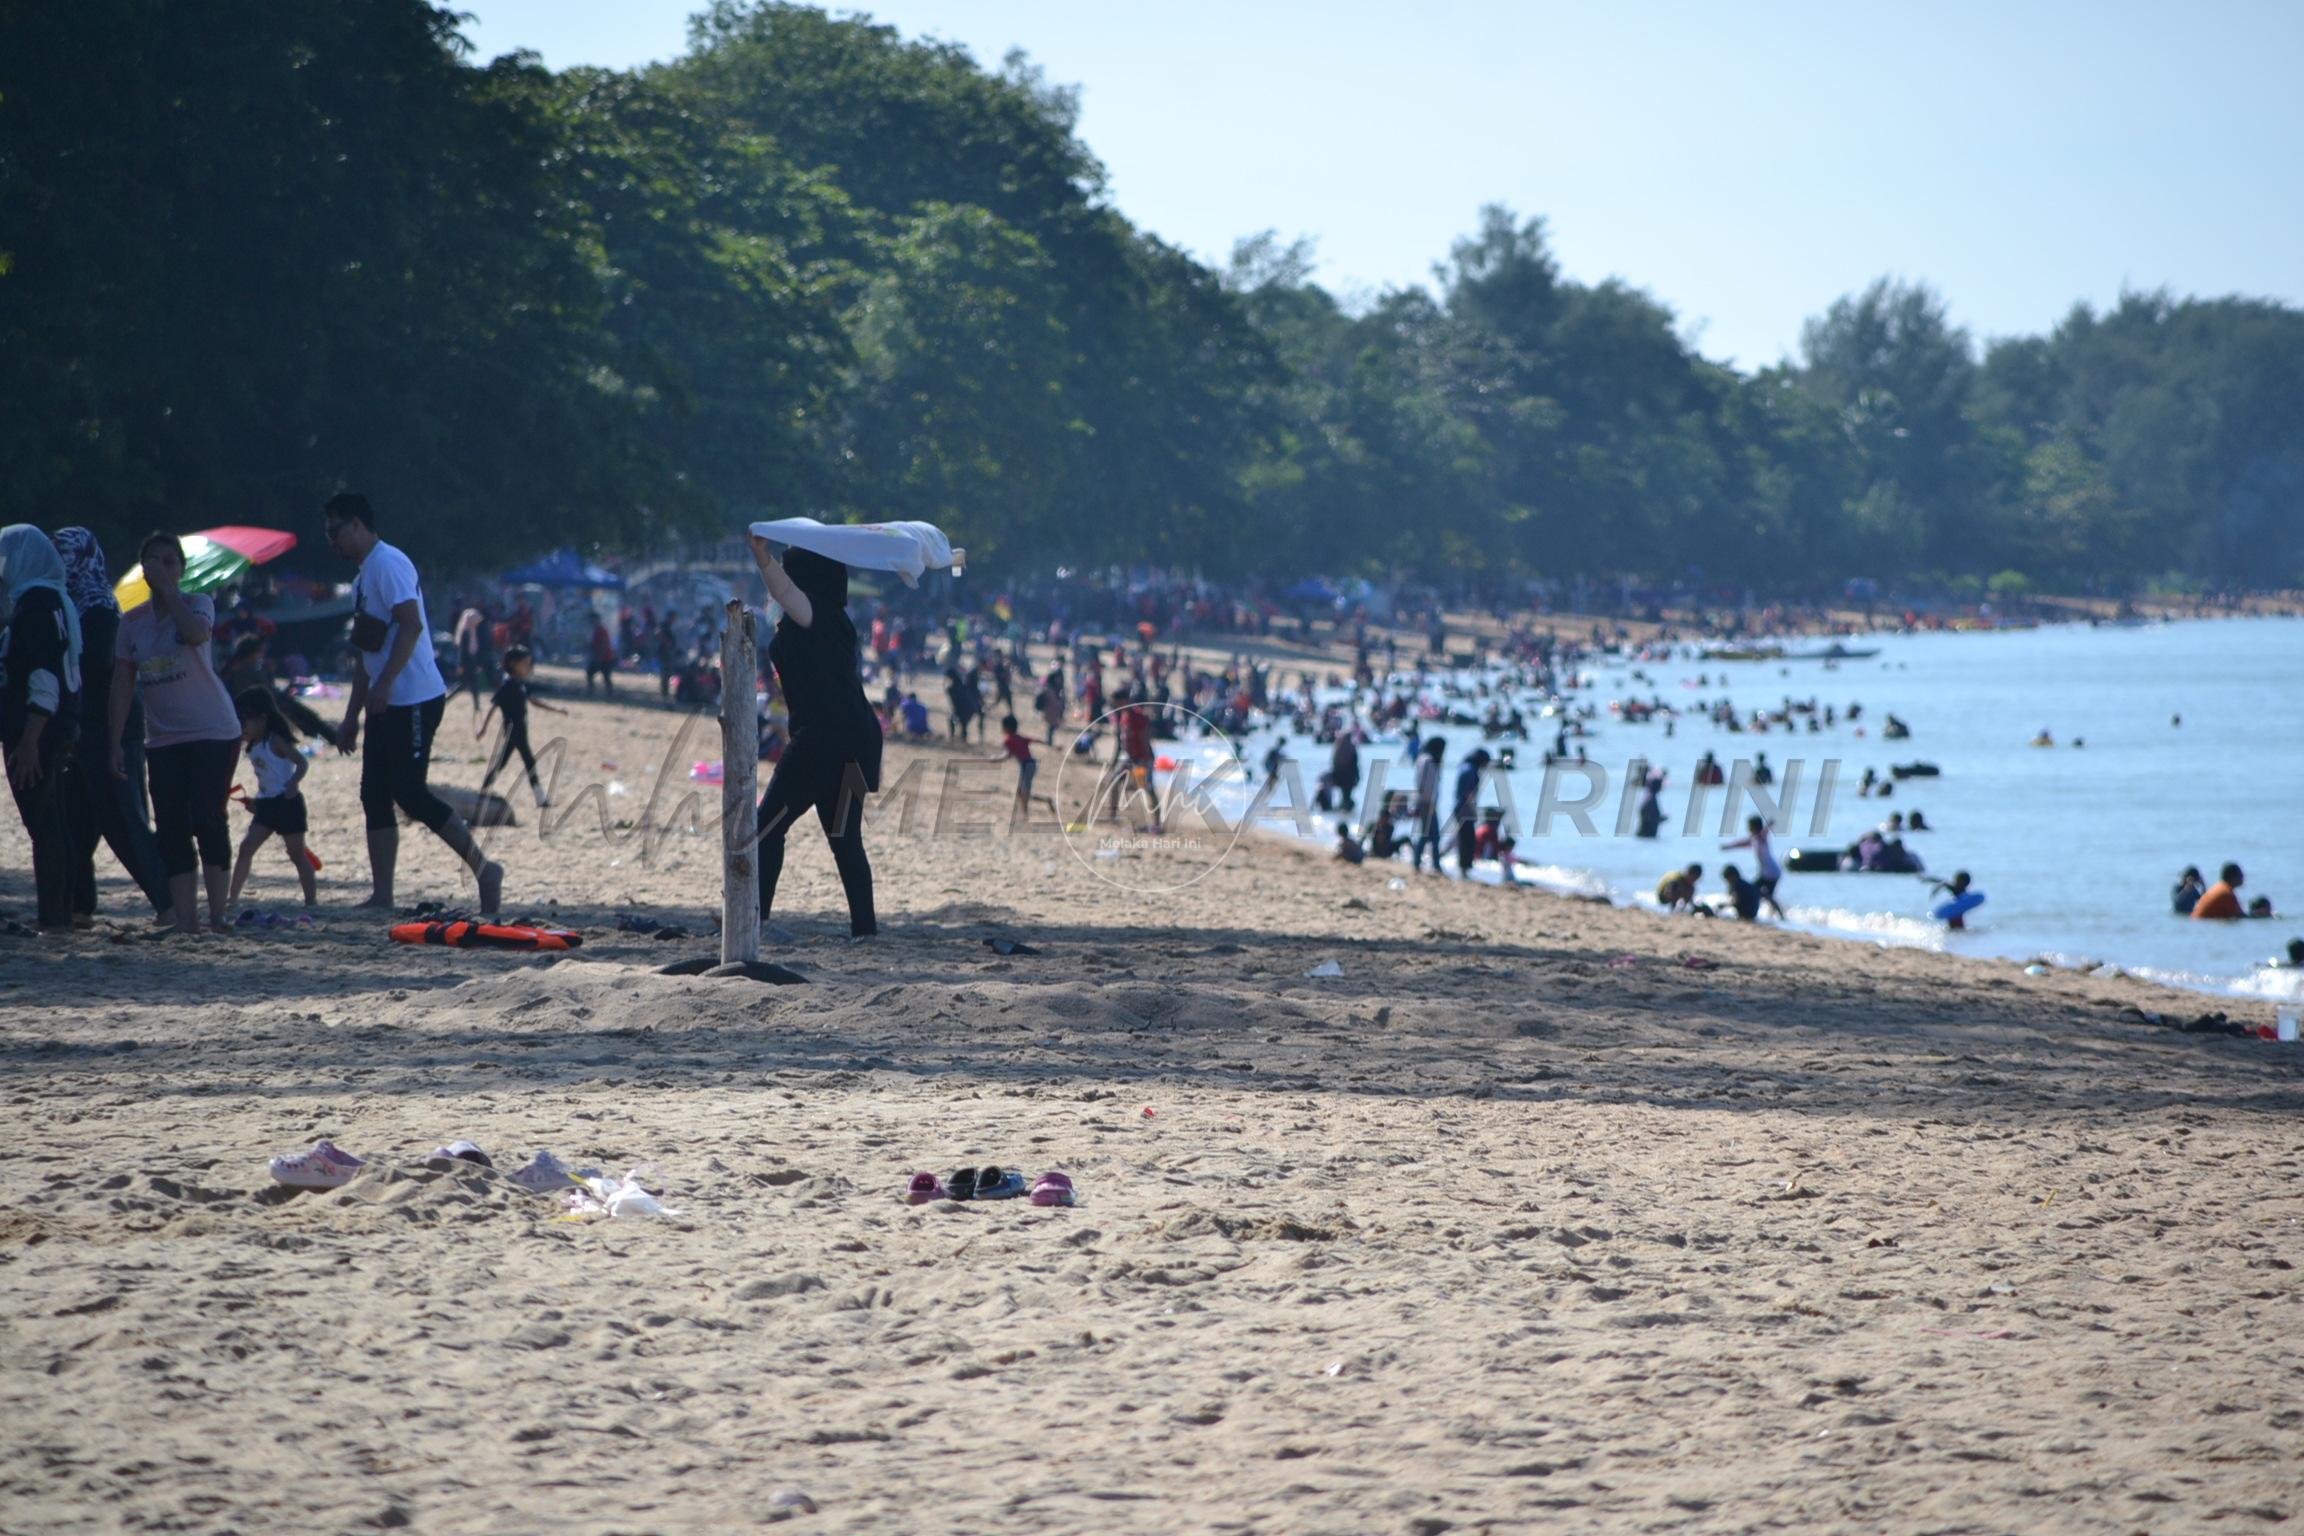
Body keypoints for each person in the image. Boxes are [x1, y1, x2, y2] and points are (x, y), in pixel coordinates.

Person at [324, 493, 504, 913]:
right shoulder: (362, 579)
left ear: (357, 525)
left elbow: (411, 625)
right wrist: (352, 714)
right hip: (386, 702)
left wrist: (385, 684)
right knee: (373, 793)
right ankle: (382, 894)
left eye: (336, 531)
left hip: (415, 698)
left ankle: (485, 869)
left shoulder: (388, 564)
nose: (332, 541)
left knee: (411, 793)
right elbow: (366, 652)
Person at [745, 534, 880, 939]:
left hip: (826, 735)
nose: (784, 579)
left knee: (765, 827)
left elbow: (784, 590)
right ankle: (865, 930)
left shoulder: (815, 612)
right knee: (844, 838)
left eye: (791, 570)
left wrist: (761, 556)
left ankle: (756, 920)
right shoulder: (831, 617)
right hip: (853, 735)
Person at [111, 532, 242, 934]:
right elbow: (122, 684)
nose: (163, 568)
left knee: (208, 818)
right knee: (171, 828)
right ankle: (186, 920)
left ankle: (218, 916)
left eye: (171, 561)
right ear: (143, 569)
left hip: (213, 730)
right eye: (155, 561)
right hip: (163, 737)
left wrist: (170, 593)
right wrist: (113, 741)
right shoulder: (131, 623)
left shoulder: (198, 604)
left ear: (182, 569)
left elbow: (196, 635)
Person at [52, 527, 169, 921]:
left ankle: (170, 904)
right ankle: (77, 906)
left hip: (111, 729)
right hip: (82, 729)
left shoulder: (98, 607)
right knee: (75, 825)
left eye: (64, 555)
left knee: (125, 825)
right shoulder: (70, 605)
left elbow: (98, 665)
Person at [1, 525, 90, 933]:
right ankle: (63, 909)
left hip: (36, 729)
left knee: (43, 825)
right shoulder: (53, 600)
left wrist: (29, 740)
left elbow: (44, 677)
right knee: (52, 821)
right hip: (58, 725)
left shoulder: (35, 606)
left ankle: (53, 915)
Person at [227, 688, 317, 911]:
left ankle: (311, 901)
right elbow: (266, 779)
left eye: (245, 721)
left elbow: (302, 762)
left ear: (262, 719)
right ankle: (233, 899)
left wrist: (293, 783)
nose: (242, 727)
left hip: (287, 804)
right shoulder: (253, 746)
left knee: (296, 853)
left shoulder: (274, 741)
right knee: (246, 848)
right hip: (266, 804)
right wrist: (255, 802)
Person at [477, 644, 564, 809]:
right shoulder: (508, 684)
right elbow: (494, 706)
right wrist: (484, 728)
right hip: (513, 730)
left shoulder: (519, 684)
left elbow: (533, 701)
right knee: (528, 761)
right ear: (513, 664)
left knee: (503, 762)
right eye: (525, 664)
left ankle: (484, 790)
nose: (528, 667)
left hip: (520, 729)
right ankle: (540, 798)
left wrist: (556, 710)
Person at [1721, 814, 1786, 918]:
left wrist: (1769, 824)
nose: (1748, 828)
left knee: (1766, 895)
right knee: (1757, 892)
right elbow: (1743, 843)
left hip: (1772, 873)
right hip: (1765, 872)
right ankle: (1774, 915)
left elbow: (1765, 831)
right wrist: (1729, 847)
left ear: (1754, 827)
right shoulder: (1755, 839)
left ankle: (1780, 916)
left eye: (1749, 826)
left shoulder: (1761, 837)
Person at [1410, 737, 1446, 873]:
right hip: (1427, 803)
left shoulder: (1422, 758)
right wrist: (1431, 805)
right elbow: (1428, 786)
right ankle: (1432, 864)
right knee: (1432, 835)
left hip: (1422, 801)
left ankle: (1421, 862)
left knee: (1427, 834)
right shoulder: (1429, 761)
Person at [1452, 746, 1491, 875]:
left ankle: (1463, 867)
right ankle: (1465, 868)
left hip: (1459, 806)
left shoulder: (1465, 767)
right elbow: (1469, 793)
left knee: (1463, 837)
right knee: (1468, 839)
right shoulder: (1472, 771)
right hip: (1466, 808)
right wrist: (1473, 810)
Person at [584, 615, 617, 695]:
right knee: (590, 673)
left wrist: (599, 658)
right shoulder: (596, 630)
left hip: (606, 658)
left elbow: (604, 645)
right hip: (600, 657)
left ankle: (609, 693)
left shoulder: (602, 630)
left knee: (605, 676)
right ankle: (591, 691)